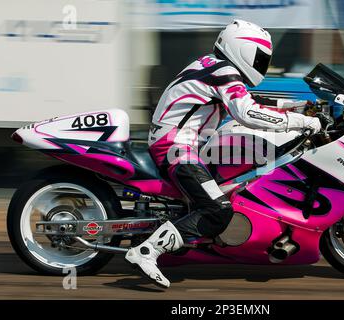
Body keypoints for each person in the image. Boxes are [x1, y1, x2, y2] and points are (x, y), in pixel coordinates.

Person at [125, 19, 321, 288]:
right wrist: (302, 122)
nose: (262, 63)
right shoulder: (224, 72)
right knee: (218, 210)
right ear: (243, 49)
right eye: (260, 57)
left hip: (183, 143)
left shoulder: (215, 66)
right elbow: (247, 112)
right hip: (176, 148)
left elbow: (252, 103)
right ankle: (147, 252)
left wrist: (298, 106)